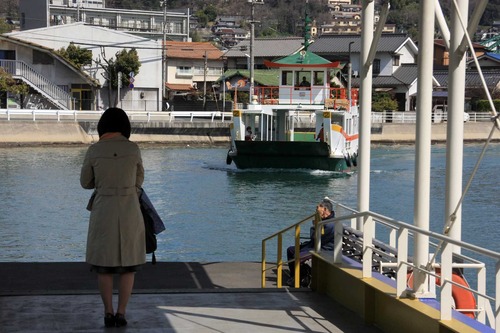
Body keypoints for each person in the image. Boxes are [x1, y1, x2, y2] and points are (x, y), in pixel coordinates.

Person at [80, 107, 145, 328]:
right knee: (128, 266)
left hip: (104, 210)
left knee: (104, 266)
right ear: (124, 127)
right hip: (129, 210)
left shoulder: (94, 150)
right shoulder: (133, 149)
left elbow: (85, 182)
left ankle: (108, 313)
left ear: (102, 127)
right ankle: (121, 313)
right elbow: (139, 180)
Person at [286, 199, 335, 286]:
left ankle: (301, 279)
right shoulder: (324, 221)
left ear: (325, 210)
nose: (316, 210)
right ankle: (294, 276)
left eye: (318, 208)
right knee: (291, 250)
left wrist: (314, 226)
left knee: (298, 255)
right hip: (315, 245)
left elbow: (315, 238)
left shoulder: (330, 224)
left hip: (324, 249)